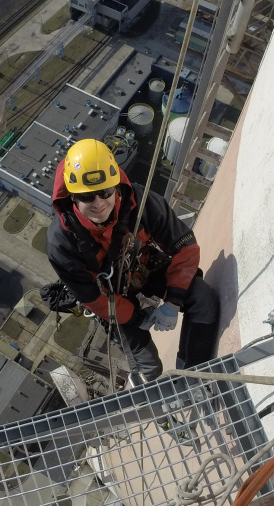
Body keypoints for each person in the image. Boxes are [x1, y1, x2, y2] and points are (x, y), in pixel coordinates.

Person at [45, 138, 220, 380]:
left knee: (202, 298)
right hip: (108, 297)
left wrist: (173, 301)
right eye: (86, 197)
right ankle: (147, 389)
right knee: (149, 366)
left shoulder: (140, 202)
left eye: (104, 192)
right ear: (73, 197)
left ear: (116, 186)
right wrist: (137, 318)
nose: (98, 204)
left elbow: (185, 246)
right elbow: (93, 298)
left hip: (141, 266)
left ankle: (194, 375)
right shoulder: (62, 242)